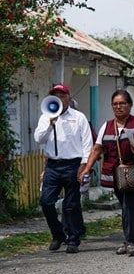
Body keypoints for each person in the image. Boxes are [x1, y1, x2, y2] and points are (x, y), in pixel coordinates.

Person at [83, 90, 134, 256]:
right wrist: (87, 168)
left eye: (122, 103)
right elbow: (97, 148)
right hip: (115, 173)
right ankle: (128, 240)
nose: (118, 107)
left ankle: (131, 241)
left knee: (130, 205)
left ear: (130, 105)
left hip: (133, 170)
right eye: (115, 104)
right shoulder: (107, 125)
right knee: (125, 206)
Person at [34, 84, 93, 254]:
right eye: (55, 95)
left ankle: (73, 239)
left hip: (73, 164)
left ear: (69, 98)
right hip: (53, 165)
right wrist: (50, 124)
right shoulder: (46, 117)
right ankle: (58, 234)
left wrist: (84, 166)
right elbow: (39, 138)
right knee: (46, 201)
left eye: (62, 95)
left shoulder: (78, 117)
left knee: (71, 204)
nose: (59, 98)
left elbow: (87, 143)